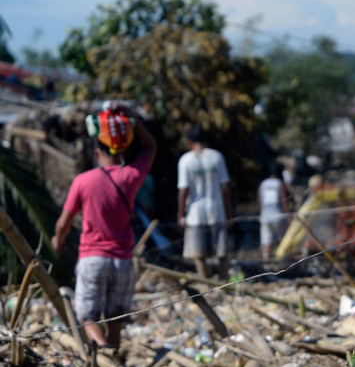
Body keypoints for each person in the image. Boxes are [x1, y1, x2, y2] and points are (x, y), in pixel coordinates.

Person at [51, 103, 156, 351]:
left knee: (87, 317)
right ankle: (113, 361)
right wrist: (133, 119)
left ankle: (102, 350)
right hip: (123, 260)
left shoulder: (83, 181)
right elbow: (151, 147)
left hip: (93, 259)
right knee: (116, 321)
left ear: (97, 152)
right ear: (122, 151)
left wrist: (58, 239)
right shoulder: (131, 176)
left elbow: (63, 223)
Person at [177, 124, 232, 279]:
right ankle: (224, 281)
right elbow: (225, 187)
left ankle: (206, 280)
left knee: (197, 254)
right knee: (222, 253)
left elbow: (183, 190)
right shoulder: (217, 157)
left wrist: (180, 215)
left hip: (195, 213)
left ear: (189, 141)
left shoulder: (186, 160)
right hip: (217, 209)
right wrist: (229, 212)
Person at [258, 163, 291, 260]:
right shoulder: (279, 183)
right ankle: (281, 260)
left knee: (266, 240)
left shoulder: (263, 184)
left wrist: (262, 213)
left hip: (265, 216)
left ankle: (266, 260)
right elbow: (284, 201)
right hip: (278, 216)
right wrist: (289, 216)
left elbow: (260, 201)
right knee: (282, 239)